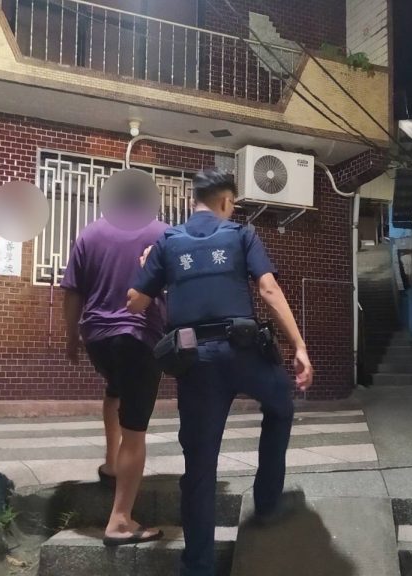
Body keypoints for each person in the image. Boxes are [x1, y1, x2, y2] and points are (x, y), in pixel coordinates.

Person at [127, 168, 314, 576]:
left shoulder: (167, 242)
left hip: (195, 362)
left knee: (200, 466)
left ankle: (198, 566)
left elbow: (135, 302)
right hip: (245, 353)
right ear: (227, 201)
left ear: (193, 199)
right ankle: (267, 502)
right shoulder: (242, 234)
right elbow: (268, 289)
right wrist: (299, 346)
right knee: (281, 404)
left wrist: (147, 266)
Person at [60, 208, 168, 547]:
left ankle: (111, 464)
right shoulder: (163, 232)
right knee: (135, 429)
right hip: (138, 335)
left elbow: (72, 291)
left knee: (115, 390)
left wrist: (70, 337)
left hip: (97, 337)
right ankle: (120, 521)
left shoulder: (90, 233)